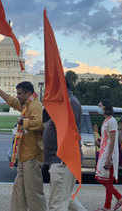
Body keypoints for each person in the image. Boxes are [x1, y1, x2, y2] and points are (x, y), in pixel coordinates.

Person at [0, 79, 47, 211]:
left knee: (33, 192)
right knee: (18, 191)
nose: (17, 96)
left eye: (20, 93)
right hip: (23, 156)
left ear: (27, 93)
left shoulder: (35, 105)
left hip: (32, 156)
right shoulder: (27, 104)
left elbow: (39, 123)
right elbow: (11, 101)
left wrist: (24, 122)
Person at [42, 79, 87, 211]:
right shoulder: (62, 103)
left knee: (57, 204)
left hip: (62, 160)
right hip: (59, 159)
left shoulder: (70, 103)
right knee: (65, 199)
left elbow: (68, 131)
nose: (47, 91)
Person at [95, 99, 122, 211]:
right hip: (103, 153)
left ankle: (119, 198)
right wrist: (100, 140)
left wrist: (108, 158)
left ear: (106, 107)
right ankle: (108, 206)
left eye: (100, 106)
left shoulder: (112, 121)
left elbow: (112, 141)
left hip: (108, 155)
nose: (98, 107)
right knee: (106, 180)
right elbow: (107, 139)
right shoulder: (106, 120)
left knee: (105, 180)